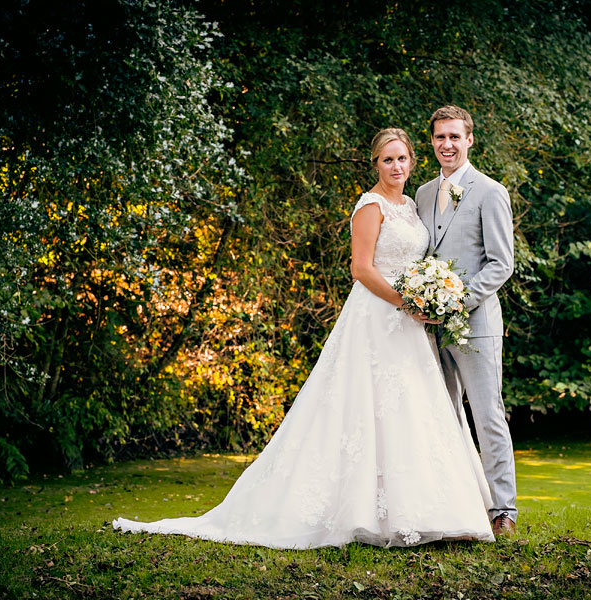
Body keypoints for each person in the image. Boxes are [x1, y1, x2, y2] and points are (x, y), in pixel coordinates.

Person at [113, 128, 495, 548]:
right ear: (375, 164)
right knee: (367, 410)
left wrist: (425, 294)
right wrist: (406, 301)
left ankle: (425, 511)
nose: (396, 167)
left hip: (409, 324)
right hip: (378, 316)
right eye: (388, 160)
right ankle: (367, 515)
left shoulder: (410, 204)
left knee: (410, 409)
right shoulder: (370, 206)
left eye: (402, 159)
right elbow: (362, 269)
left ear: (412, 161)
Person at [415, 106, 518, 536]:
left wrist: (455, 302)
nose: (447, 145)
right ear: (432, 142)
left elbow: (501, 264)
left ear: (470, 140)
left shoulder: (490, 191)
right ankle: (455, 504)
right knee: (441, 414)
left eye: (455, 137)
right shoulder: (420, 194)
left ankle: (503, 511)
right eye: (440, 137)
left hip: (475, 325)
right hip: (426, 329)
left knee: (487, 414)